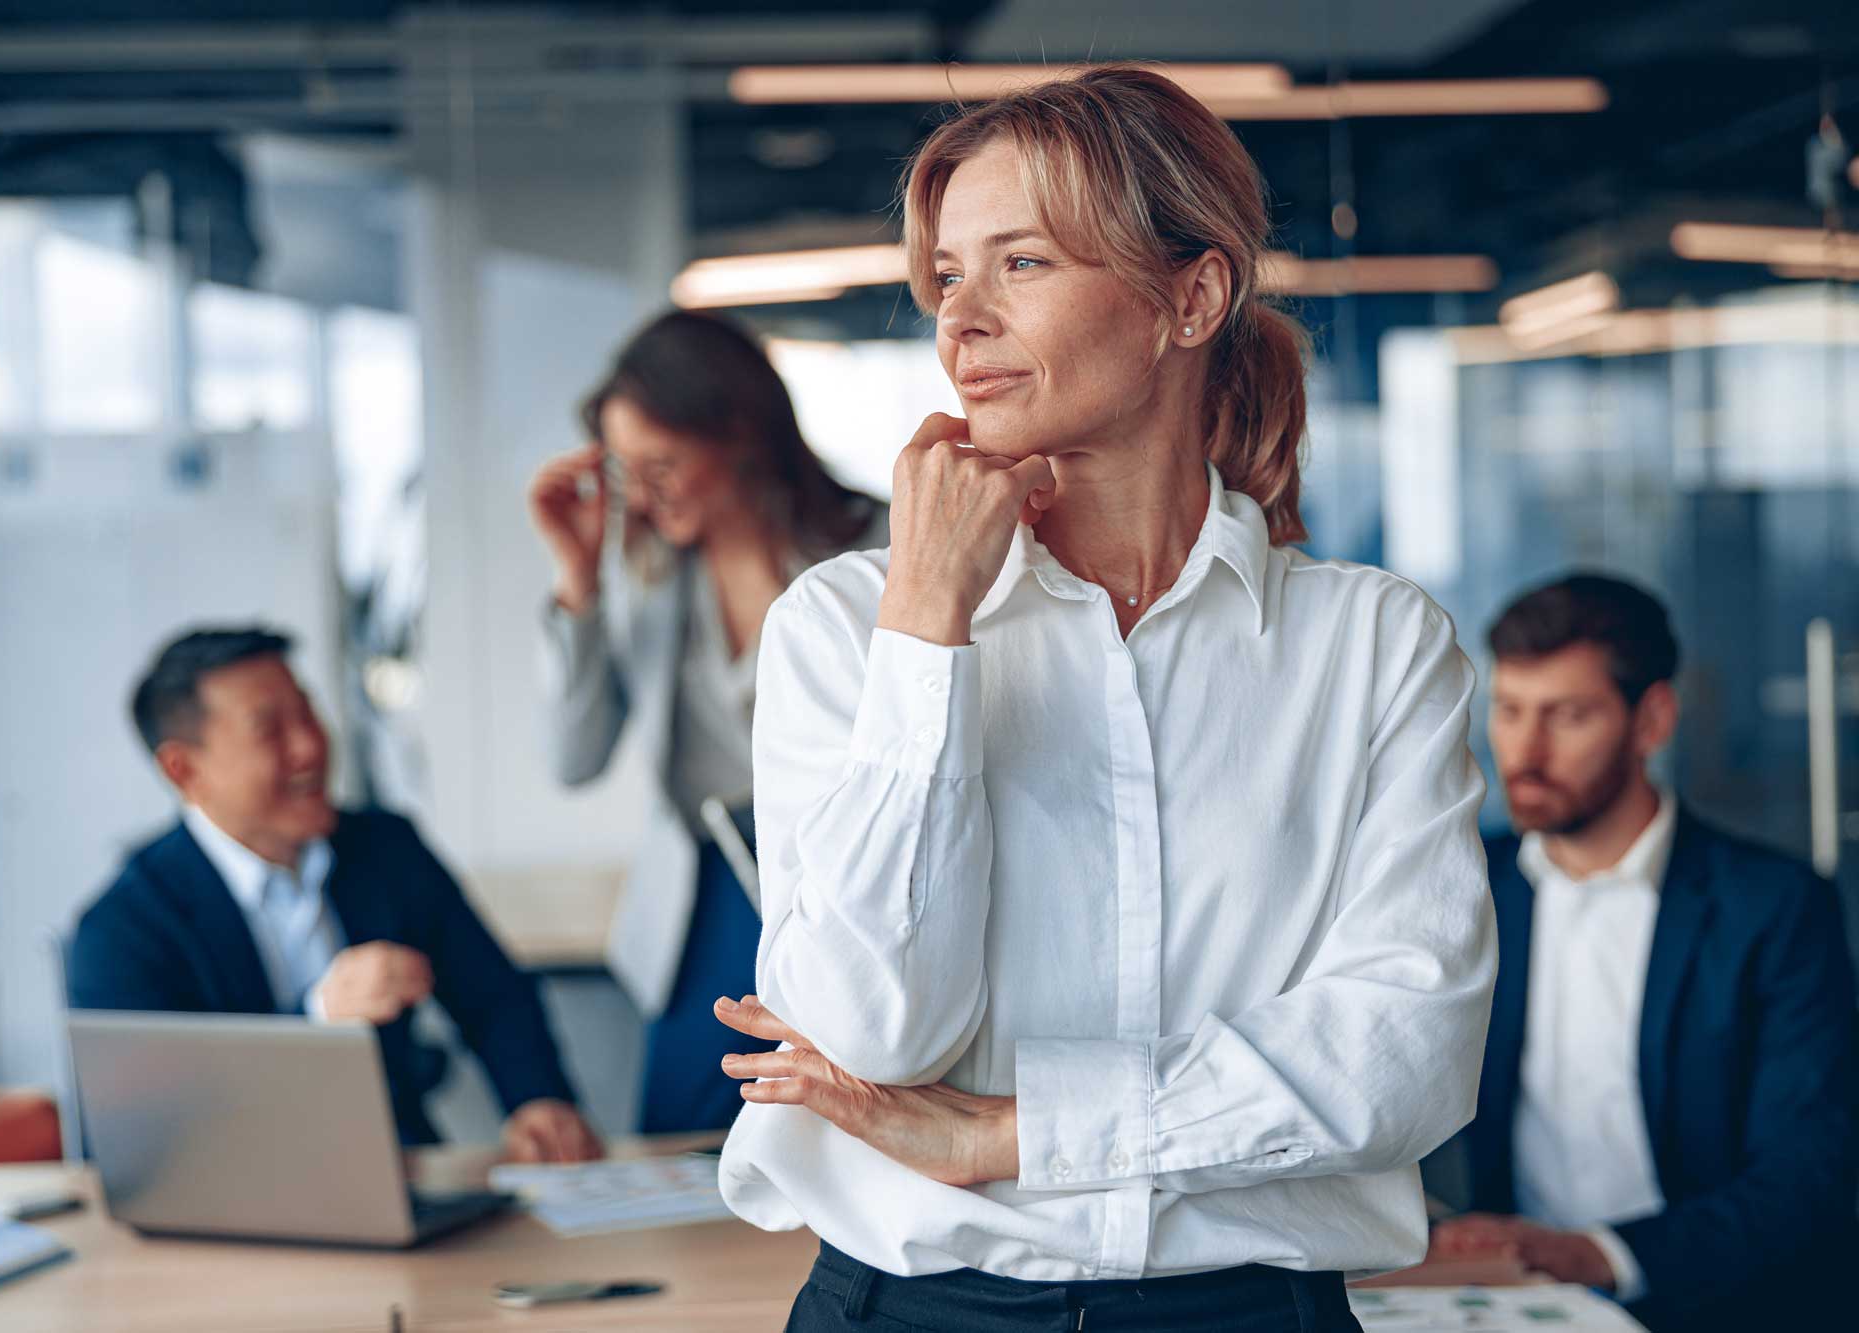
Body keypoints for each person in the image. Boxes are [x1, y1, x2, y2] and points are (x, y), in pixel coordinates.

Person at [711, 66, 1498, 1331]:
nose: (958, 320)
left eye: (1017, 263)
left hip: (1248, 1312)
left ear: (1188, 298)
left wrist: (1018, 1133)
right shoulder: (845, 627)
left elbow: (1402, 1052)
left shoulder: (1372, 644)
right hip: (907, 1309)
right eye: (945, 276)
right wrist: (925, 627)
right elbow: (869, 1031)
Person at [1428, 574, 1856, 1333]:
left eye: (1568, 715)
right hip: (1512, 1304)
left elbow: (1808, 1177)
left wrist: (1596, 1251)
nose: (1524, 750)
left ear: (1652, 719)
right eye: (1509, 709)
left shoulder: (1775, 906)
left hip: (1729, 1303)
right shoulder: (1465, 886)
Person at [529, 310, 884, 1133]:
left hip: (836, 895)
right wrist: (576, 579)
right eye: (626, 472)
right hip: (702, 909)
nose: (643, 496)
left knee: (839, 1143)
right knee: (682, 1154)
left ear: (741, 435)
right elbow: (575, 758)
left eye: (663, 465)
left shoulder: (878, 548)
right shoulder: (649, 577)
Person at [69, 626, 600, 1164]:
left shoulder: (387, 851)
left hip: (402, 1176)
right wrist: (319, 1020)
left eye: (307, 713)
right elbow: (139, 1133)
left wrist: (538, 1100)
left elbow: (494, 997)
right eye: (270, 731)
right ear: (185, 770)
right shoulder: (122, 930)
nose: (310, 746)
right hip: (234, 1205)